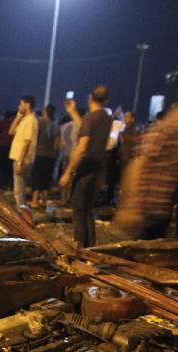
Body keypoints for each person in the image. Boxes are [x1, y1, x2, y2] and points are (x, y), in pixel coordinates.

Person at [114, 89, 178, 240]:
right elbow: (137, 165)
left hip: (160, 212)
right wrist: (129, 206)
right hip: (144, 211)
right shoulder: (163, 130)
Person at [60, 85, 111, 247]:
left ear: (90, 98)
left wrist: (68, 172)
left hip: (86, 168)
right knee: (88, 210)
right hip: (99, 169)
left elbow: (82, 147)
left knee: (79, 209)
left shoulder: (91, 117)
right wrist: (73, 112)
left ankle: (79, 248)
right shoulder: (106, 118)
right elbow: (87, 128)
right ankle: (90, 249)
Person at [8, 96, 38, 207]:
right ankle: (22, 217)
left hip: (23, 160)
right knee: (20, 191)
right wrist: (17, 118)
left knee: (19, 192)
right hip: (20, 159)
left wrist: (20, 162)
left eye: (21, 104)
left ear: (27, 105)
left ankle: (21, 219)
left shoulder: (30, 120)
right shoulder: (24, 120)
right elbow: (10, 132)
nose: (18, 106)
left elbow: (27, 142)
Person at [30, 104, 59, 206]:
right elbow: (56, 144)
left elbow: (34, 138)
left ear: (45, 112)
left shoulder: (39, 122)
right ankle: (44, 201)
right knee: (47, 178)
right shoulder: (55, 125)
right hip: (50, 156)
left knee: (37, 177)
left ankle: (34, 201)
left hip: (39, 154)